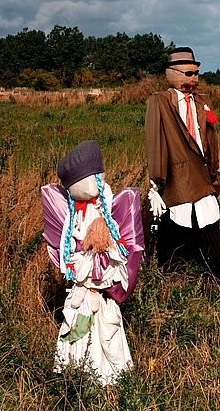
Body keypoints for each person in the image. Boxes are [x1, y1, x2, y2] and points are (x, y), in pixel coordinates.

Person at [145, 47, 220, 296]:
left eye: (196, 73)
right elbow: (155, 141)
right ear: (171, 74)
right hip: (178, 175)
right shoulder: (161, 101)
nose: (193, 79)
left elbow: (210, 139)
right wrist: (157, 180)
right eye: (187, 73)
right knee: (182, 224)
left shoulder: (202, 102)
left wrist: (215, 173)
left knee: (195, 225)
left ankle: (180, 279)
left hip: (204, 176)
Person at [41, 140, 144, 385]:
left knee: (108, 332)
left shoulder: (112, 209)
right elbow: (70, 253)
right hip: (82, 292)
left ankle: (110, 378)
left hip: (103, 293)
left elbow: (124, 251)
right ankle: (77, 375)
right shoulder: (72, 215)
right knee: (78, 326)